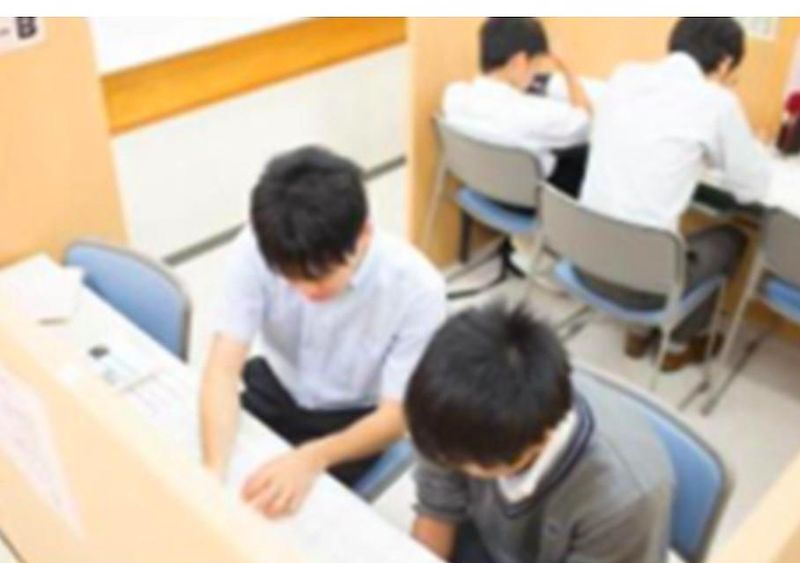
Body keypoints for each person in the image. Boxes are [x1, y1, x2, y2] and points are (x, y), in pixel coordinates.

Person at [200, 146, 446, 517]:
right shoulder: (257, 246)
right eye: (290, 279)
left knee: (291, 521)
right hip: (277, 386)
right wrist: (212, 475)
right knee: (220, 483)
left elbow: (396, 417)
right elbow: (222, 369)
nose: (306, 292)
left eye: (319, 278)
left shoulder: (417, 289)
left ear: (364, 233)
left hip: (353, 419)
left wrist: (312, 457)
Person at [405, 303, 674, 563]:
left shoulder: (622, 500)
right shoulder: (443, 411)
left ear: (539, 441)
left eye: (461, 464)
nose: (443, 463)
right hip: (490, 542)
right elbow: (437, 510)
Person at [578, 17, 771, 371]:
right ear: (725, 64)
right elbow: (751, 188)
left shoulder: (624, 75)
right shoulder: (717, 102)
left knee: (656, 232)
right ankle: (676, 346)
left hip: (584, 261)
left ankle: (637, 333)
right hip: (641, 286)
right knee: (732, 238)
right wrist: (753, 147)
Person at [443, 17, 594, 198]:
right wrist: (567, 66)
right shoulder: (534, 115)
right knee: (589, 154)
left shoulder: (454, 96)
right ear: (519, 62)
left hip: (482, 190)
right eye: (536, 66)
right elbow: (586, 123)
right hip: (531, 202)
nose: (536, 74)